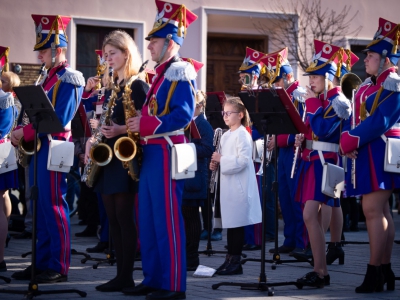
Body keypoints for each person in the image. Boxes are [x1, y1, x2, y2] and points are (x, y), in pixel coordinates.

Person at [122, 1, 197, 299]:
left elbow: (182, 115)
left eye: (154, 39)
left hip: (167, 150)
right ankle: (154, 277)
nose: (149, 45)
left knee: (167, 219)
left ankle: (173, 284)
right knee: (149, 218)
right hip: (152, 151)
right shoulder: (161, 74)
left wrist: (146, 123)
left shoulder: (180, 71)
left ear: (170, 41)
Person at [10, 15, 85, 283]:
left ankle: (58, 264)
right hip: (40, 149)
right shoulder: (49, 77)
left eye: (43, 50)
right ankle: (40, 262)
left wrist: (25, 132)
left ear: (57, 50)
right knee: (38, 206)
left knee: (54, 206)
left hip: (54, 148)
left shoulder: (70, 78)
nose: (40, 56)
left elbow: (60, 118)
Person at [83, 30, 149, 292]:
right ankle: (121, 274)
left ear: (126, 53)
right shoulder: (114, 86)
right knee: (112, 216)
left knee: (123, 216)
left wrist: (121, 131)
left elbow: (145, 122)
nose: (108, 59)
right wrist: (95, 136)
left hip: (125, 158)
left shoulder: (137, 84)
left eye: (113, 54)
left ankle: (126, 276)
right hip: (108, 156)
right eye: (106, 54)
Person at [340, 17, 400, 293]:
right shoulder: (376, 83)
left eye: (372, 55)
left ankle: (375, 271)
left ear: (386, 58)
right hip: (375, 150)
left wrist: (350, 139)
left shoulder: (392, 82)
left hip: (382, 150)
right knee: (380, 210)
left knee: (373, 211)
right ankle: (384, 269)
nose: (366, 59)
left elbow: (381, 121)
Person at [293, 39, 353, 288]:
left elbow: (324, 131)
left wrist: (312, 104)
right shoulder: (321, 101)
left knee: (311, 215)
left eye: (315, 77)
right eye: (310, 77)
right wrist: (301, 138)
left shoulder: (338, 103)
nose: (310, 82)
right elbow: (312, 131)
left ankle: (321, 271)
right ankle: (320, 269)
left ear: (329, 77)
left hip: (326, 164)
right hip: (313, 162)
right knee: (309, 216)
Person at [259, 48, 309, 256]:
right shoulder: (281, 95)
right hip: (283, 152)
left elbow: (301, 129)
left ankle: (302, 242)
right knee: (285, 198)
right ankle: (290, 238)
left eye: (278, 80)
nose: (275, 85)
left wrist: (278, 140)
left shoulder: (299, 96)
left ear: (289, 77)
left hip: (295, 152)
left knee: (297, 198)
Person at [210, 96, 262, 275]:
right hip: (227, 187)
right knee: (230, 225)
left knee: (236, 226)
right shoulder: (226, 135)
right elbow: (222, 158)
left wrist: (222, 159)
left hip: (239, 187)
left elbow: (243, 161)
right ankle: (229, 258)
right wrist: (215, 164)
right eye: (223, 112)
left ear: (240, 115)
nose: (225, 116)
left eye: (229, 113)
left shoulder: (243, 135)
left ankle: (236, 260)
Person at [238, 47, 275, 249]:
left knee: (255, 198)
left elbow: (263, 126)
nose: (240, 79)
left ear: (253, 76)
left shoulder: (261, 96)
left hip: (256, 151)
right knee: (243, 197)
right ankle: (244, 237)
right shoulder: (243, 96)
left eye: (244, 76)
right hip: (244, 149)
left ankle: (255, 239)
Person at [182, 88, 214, 271]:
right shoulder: (187, 122)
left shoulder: (202, 124)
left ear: (199, 106)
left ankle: (192, 257)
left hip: (196, 175)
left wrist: (187, 147)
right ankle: (186, 254)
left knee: (192, 215)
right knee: (185, 215)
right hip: (186, 172)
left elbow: (208, 149)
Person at [0, 45, 19, 272]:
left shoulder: (4, 99)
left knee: (2, 198)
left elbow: (3, 129)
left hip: (2, 152)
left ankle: (1, 256)